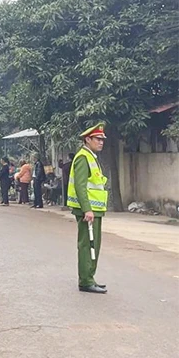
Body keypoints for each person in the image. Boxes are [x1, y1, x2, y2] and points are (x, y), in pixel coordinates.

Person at [67, 124, 109, 294]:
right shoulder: (83, 157)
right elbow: (80, 185)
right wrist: (87, 209)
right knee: (87, 245)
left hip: (94, 209)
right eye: (98, 139)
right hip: (88, 210)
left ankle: (90, 277)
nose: (101, 142)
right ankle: (85, 281)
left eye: (102, 139)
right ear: (88, 139)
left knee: (94, 244)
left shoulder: (91, 156)